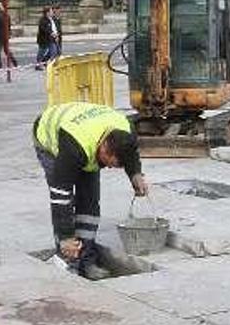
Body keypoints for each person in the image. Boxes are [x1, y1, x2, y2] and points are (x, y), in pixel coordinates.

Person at [34, 102, 147, 279]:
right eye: (111, 163)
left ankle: (86, 260)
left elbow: (131, 153)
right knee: (66, 201)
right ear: (104, 148)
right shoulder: (75, 147)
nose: (109, 168)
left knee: (89, 199)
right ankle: (67, 259)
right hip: (49, 137)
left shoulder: (125, 128)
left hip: (86, 132)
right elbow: (60, 198)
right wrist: (66, 238)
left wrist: (135, 175)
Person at [0, 2, 16, 69]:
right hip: (5, 35)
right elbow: (9, 25)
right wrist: (9, 33)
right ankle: (13, 60)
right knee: (6, 49)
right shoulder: (7, 15)